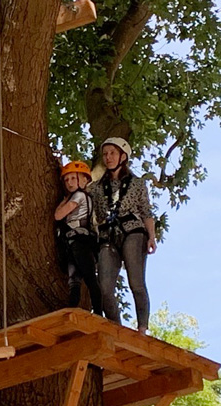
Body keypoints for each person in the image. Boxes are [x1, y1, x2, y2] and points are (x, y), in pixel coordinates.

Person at [90, 137, 156, 335]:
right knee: (104, 288)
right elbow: (78, 192)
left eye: (112, 153)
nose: (108, 157)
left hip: (132, 231)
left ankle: (142, 328)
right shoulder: (96, 187)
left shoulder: (137, 184)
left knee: (136, 282)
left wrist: (151, 236)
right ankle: (116, 328)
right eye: (105, 154)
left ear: (123, 156)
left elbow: (146, 212)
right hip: (107, 235)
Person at [54, 161, 102, 316]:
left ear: (82, 179)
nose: (69, 183)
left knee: (89, 278)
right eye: (66, 180)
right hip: (73, 242)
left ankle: (99, 312)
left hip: (80, 242)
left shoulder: (79, 196)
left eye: (73, 179)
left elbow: (58, 215)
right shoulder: (77, 196)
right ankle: (71, 309)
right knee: (74, 279)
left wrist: (63, 201)